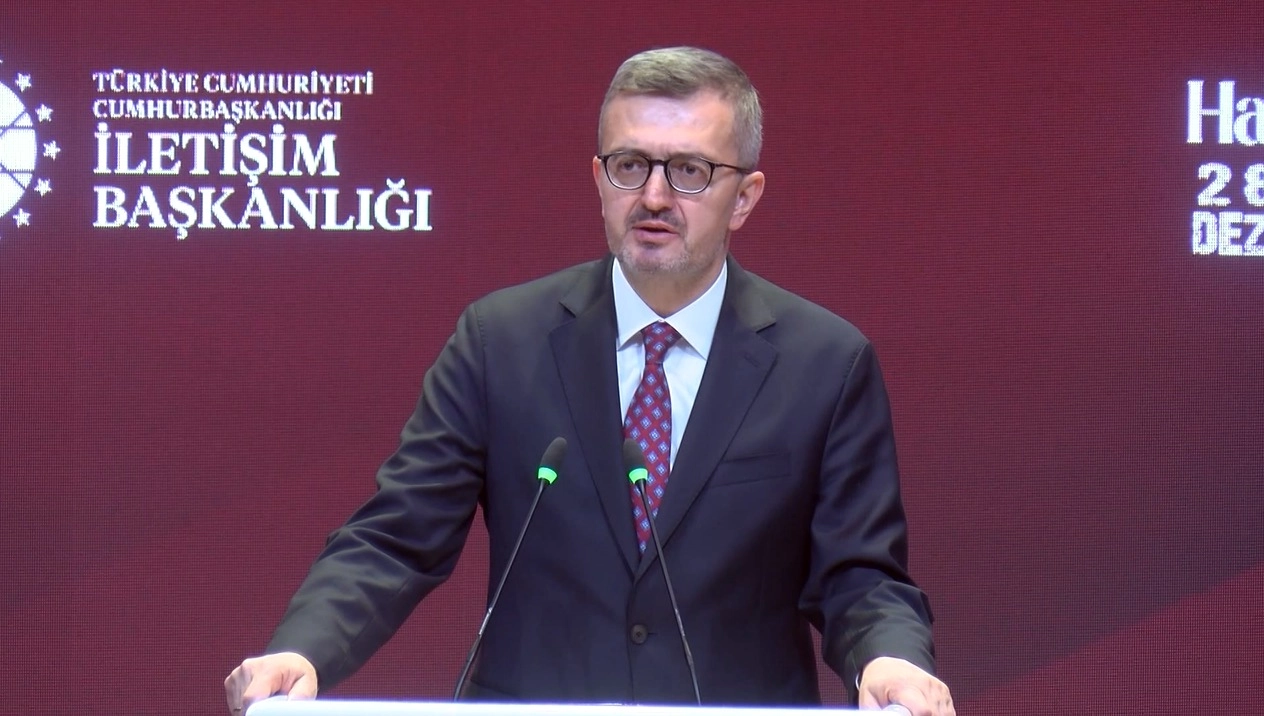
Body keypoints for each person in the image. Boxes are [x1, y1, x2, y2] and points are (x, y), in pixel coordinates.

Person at [225, 46, 955, 716]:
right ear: (599, 179)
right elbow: (396, 536)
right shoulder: (502, 340)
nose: (655, 196)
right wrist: (304, 649)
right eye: (629, 165)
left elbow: (862, 575)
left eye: (690, 171)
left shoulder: (824, 362)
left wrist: (889, 659)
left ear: (745, 196)